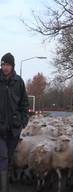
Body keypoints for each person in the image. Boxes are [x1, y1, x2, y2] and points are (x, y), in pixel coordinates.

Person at [0, 53, 29, 192]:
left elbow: (24, 103)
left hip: (14, 128)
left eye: (8, 65)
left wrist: (23, 121)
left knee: (8, 158)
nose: (5, 67)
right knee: (3, 156)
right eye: (3, 64)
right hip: (0, 128)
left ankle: (6, 182)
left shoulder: (19, 82)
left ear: (12, 66)